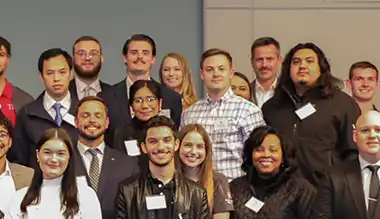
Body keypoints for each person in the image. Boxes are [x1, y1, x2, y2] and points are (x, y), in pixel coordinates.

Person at [261, 42, 359, 187]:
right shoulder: (271, 108)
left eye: (310, 61)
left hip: (326, 192)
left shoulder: (343, 104)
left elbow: (353, 153)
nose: (302, 66)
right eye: (296, 62)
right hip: (280, 192)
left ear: (321, 68)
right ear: (288, 69)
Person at [182, 49, 265, 180]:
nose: (216, 74)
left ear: (231, 72)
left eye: (221, 69)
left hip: (235, 189)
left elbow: (260, 155)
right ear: (202, 74)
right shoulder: (189, 114)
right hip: (196, 189)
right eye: (209, 69)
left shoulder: (248, 111)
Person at [99, 34, 183, 145]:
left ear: (153, 59)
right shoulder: (106, 97)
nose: (140, 57)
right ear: (125, 58)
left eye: (145, 53)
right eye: (134, 53)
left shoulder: (171, 98)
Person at [10, 49, 79, 167]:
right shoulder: (28, 114)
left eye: (62, 72)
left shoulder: (83, 112)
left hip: (77, 182)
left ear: (71, 74)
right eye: (50, 73)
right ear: (41, 77)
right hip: (38, 183)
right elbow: (19, 161)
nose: (56, 78)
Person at [347, 61, 380, 147]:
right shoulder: (338, 121)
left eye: (370, 79)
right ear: (349, 84)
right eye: (359, 79)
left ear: (377, 84)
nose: (365, 84)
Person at [110, 79, 164, 156]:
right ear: (131, 106)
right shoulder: (123, 133)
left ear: (160, 103)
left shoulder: (168, 130)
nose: (144, 106)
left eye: (150, 100)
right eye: (138, 101)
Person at [250, 37, 282, 107]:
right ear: (252, 62)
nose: (264, 65)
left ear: (279, 60)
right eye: (259, 59)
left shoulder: (289, 92)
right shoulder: (244, 92)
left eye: (269, 59)